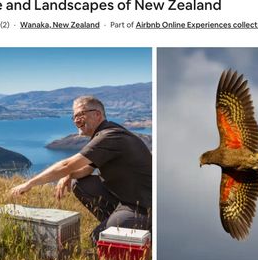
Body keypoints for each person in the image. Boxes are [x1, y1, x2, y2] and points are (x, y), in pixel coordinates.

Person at [10, 96, 152, 244]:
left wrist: (29, 184)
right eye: (74, 116)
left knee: (97, 239)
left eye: (81, 115)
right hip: (126, 199)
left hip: (143, 207)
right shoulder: (107, 133)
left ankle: (136, 228)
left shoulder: (110, 136)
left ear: (97, 115)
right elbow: (88, 169)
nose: (76, 120)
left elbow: (66, 164)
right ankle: (117, 222)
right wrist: (69, 176)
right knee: (78, 182)